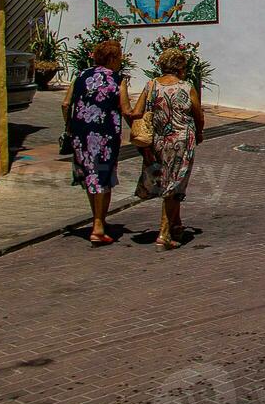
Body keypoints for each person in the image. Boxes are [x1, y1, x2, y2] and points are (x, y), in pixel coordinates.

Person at [131, 47, 205, 251]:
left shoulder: (151, 85)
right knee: (175, 184)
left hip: (159, 141)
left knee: (171, 181)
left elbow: (135, 113)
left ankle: (176, 224)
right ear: (180, 67)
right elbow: (198, 114)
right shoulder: (186, 87)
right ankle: (164, 234)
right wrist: (199, 133)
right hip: (182, 141)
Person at [62, 41, 132, 247]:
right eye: (119, 57)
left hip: (80, 134)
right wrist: (140, 124)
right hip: (105, 135)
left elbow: (66, 103)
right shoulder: (117, 79)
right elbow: (126, 109)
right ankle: (98, 227)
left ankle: (97, 220)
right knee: (103, 176)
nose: (120, 61)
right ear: (112, 58)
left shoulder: (81, 76)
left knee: (90, 175)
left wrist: (69, 127)